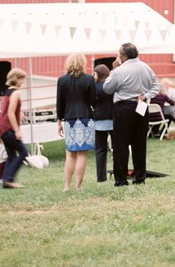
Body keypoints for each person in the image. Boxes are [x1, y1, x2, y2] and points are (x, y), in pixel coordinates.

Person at [102, 43, 160, 186]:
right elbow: (156, 87)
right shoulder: (146, 67)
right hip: (141, 106)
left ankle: (121, 180)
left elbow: (107, 88)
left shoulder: (119, 70)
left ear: (124, 56)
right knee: (139, 143)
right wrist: (146, 95)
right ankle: (139, 177)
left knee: (121, 145)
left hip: (124, 108)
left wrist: (114, 69)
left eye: (119, 54)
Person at [56, 53, 96, 192]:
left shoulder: (62, 80)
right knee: (82, 154)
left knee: (70, 154)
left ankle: (66, 186)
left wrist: (59, 121)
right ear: (83, 63)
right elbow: (92, 101)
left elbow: (59, 103)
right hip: (85, 117)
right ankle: (78, 186)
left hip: (70, 118)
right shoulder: (89, 79)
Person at [0, 68, 29, 189]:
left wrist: (20, 113)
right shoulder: (15, 93)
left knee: (12, 156)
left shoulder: (7, 91)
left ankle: (6, 182)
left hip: (2, 127)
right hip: (8, 128)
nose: (23, 82)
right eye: (22, 79)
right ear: (17, 78)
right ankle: (9, 180)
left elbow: (7, 110)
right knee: (23, 152)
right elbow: (10, 113)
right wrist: (17, 130)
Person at [93, 64, 113, 183]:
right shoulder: (111, 87)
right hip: (113, 119)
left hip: (99, 120)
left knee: (100, 150)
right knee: (117, 149)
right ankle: (119, 172)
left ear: (98, 74)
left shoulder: (94, 87)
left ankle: (101, 177)